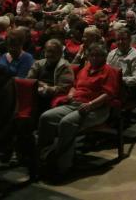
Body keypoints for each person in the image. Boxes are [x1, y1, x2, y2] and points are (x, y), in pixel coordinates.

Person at [37, 43, 119, 178]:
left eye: (98, 55)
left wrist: (91, 104)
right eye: (92, 55)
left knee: (67, 123)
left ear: (104, 57)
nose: (94, 58)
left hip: (97, 109)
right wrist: (70, 93)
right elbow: (74, 85)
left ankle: (63, 166)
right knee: (46, 117)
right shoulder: (85, 69)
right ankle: (44, 156)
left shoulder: (109, 71)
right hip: (75, 103)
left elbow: (108, 94)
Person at [27, 39, 74, 109]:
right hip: (37, 91)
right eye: (48, 51)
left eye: (54, 52)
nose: (50, 54)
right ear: (44, 52)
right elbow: (29, 80)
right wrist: (41, 84)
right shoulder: (38, 63)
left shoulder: (65, 66)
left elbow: (64, 88)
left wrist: (48, 89)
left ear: (60, 53)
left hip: (52, 96)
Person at [106, 28, 136, 98]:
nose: (120, 42)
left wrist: (119, 80)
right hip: (110, 85)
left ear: (129, 40)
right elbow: (106, 72)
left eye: (123, 39)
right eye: (118, 39)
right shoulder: (111, 54)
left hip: (126, 88)